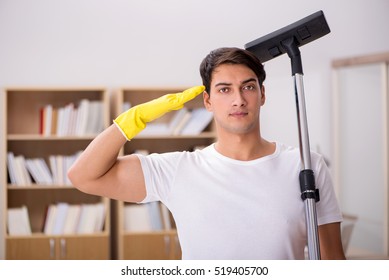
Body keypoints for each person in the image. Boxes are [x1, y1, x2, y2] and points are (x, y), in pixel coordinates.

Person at [68, 47, 345, 260]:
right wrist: (131, 120)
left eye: (248, 87)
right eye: (224, 89)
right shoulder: (178, 169)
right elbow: (83, 176)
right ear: (208, 101)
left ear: (262, 94)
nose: (238, 99)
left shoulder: (304, 165)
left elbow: (332, 259)